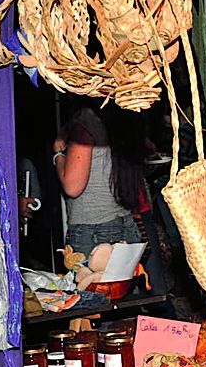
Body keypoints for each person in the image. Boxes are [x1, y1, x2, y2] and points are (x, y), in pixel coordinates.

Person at [53, 104, 146, 256]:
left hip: (94, 231)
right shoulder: (126, 113)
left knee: (88, 280)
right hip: (126, 225)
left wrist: (58, 155)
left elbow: (72, 187)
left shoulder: (86, 120)